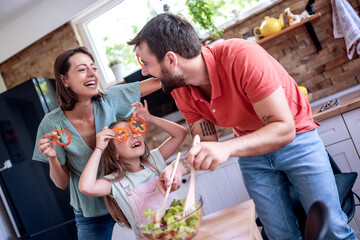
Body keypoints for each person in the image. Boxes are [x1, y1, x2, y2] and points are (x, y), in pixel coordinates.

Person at [127, 13, 357, 240]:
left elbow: (284, 129)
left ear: (170, 60)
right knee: (279, 235)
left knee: (331, 230)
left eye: (145, 64)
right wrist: (179, 168)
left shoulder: (241, 55)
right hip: (253, 156)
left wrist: (228, 148)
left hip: (298, 139)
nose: (145, 72)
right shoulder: (179, 87)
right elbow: (206, 142)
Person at [32, 46, 161, 240]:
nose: (92, 73)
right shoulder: (51, 124)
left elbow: (161, 81)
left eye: (93, 68)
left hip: (129, 198)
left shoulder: (110, 99)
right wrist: (52, 157)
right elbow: (61, 183)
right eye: (82, 69)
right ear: (64, 80)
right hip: (92, 213)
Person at [78, 100, 187, 238]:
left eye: (134, 131)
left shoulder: (154, 161)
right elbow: (86, 187)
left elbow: (181, 133)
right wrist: (100, 148)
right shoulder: (115, 182)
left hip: (182, 231)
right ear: (114, 153)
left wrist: (150, 119)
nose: (134, 135)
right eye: (124, 135)